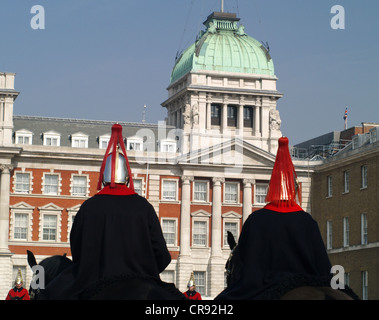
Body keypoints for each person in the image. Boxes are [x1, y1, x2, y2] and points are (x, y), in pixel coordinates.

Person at [38, 124, 171, 299]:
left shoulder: (88, 207)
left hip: (94, 282)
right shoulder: (144, 207)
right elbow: (161, 254)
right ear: (127, 176)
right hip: (143, 282)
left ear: (104, 176)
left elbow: (77, 250)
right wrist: (146, 271)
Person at [215, 136, 356, 300]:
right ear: (294, 190)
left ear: (271, 187)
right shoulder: (306, 221)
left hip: (263, 286)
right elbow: (323, 266)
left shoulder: (256, 220)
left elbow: (247, 267)